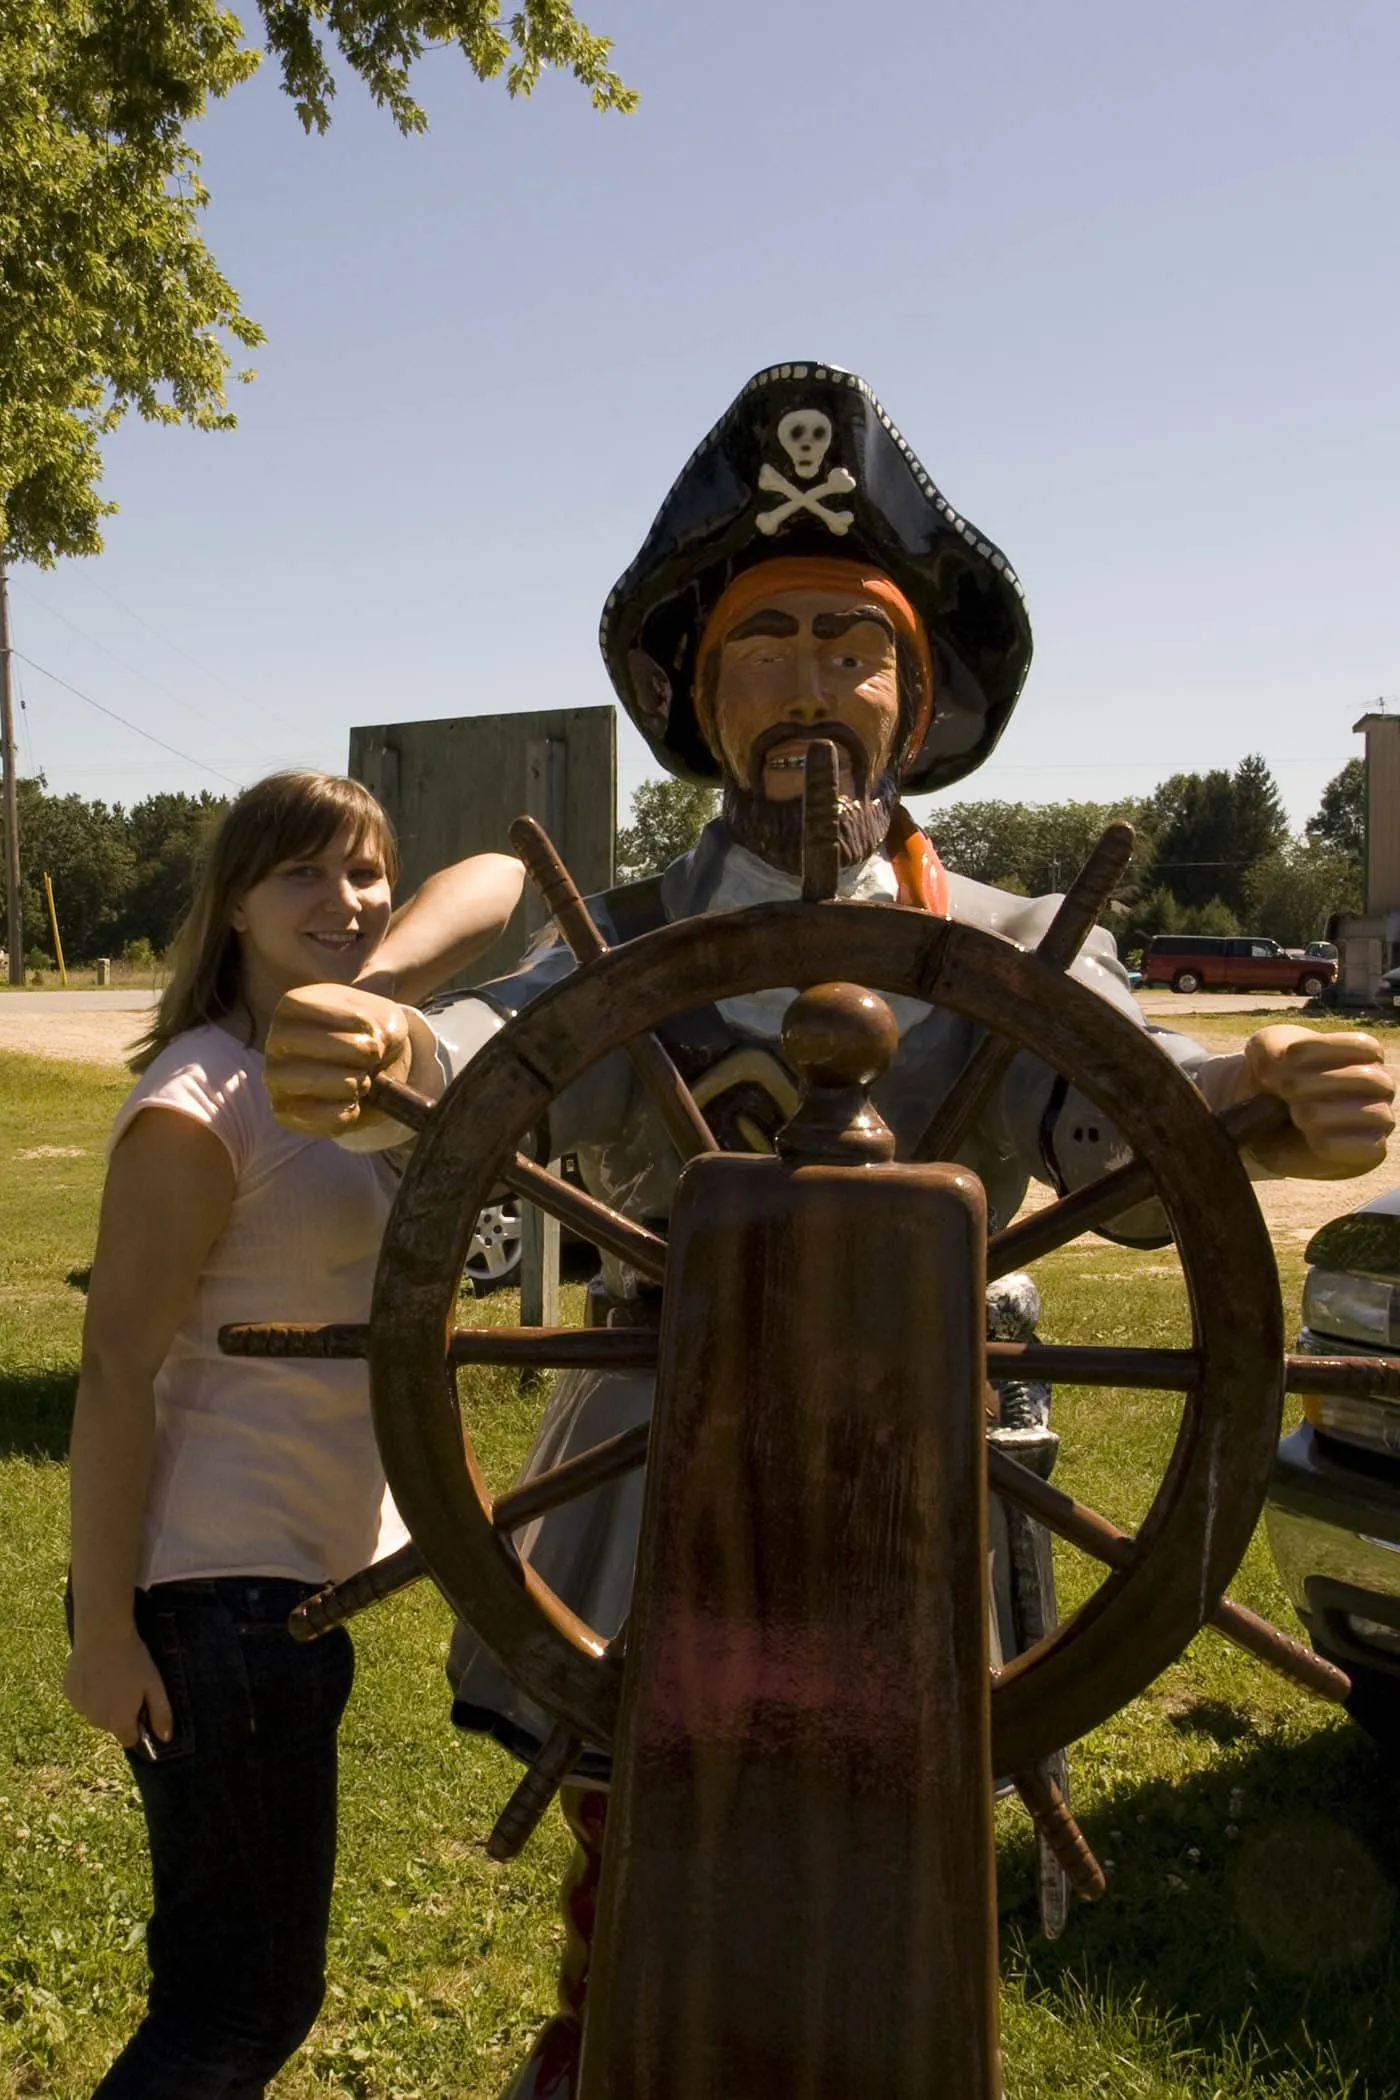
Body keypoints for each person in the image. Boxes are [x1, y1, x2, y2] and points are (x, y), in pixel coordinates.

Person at [261, 365, 1395, 2097]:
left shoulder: (1019, 938)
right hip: (656, 1491)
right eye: (768, 642)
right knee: (633, 1899)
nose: (814, 684)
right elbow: (515, 1058)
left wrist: (1257, 1084)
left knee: (908, 1914)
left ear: (912, 701)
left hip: (936, 1489)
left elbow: (1119, 1106)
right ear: (703, 701)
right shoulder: (627, 934)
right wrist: (403, 1044)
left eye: (852, 647)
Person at [61, 768, 522, 2100]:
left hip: (283, 1593)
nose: (347, 898)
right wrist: (103, 1628)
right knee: (233, 2012)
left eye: (366, 868)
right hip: (212, 1596)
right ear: (238, 906)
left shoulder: (351, 1057)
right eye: (303, 875)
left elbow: (503, 881)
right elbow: (113, 1366)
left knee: (246, 1996)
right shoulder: (201, 1102)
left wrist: (376, 981)